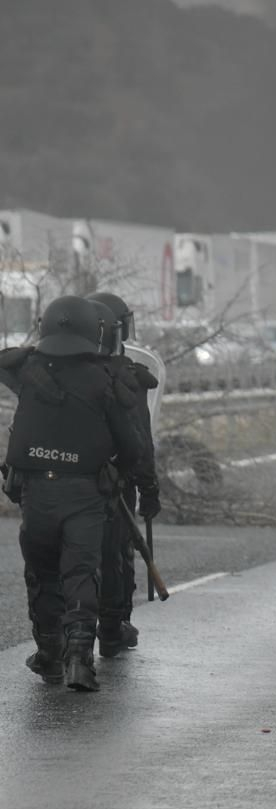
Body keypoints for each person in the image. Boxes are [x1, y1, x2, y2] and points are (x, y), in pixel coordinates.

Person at [0, 296, 158, 691]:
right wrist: (120, 472)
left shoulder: (29, 370)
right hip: (85, 492)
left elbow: (7, 360)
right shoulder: (107, 378)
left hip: (36, 492)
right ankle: (79, 659)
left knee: (43, 574)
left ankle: (49, 653)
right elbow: (134, 445)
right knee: (81, 572)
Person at [87, 292, 159, 659]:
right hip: (116, 481)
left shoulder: (57, 370)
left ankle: (68, 636)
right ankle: (113, 628)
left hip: (70, 479)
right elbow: (139, 439)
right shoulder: (127, 376)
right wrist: (149, 488)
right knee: (115, 555)